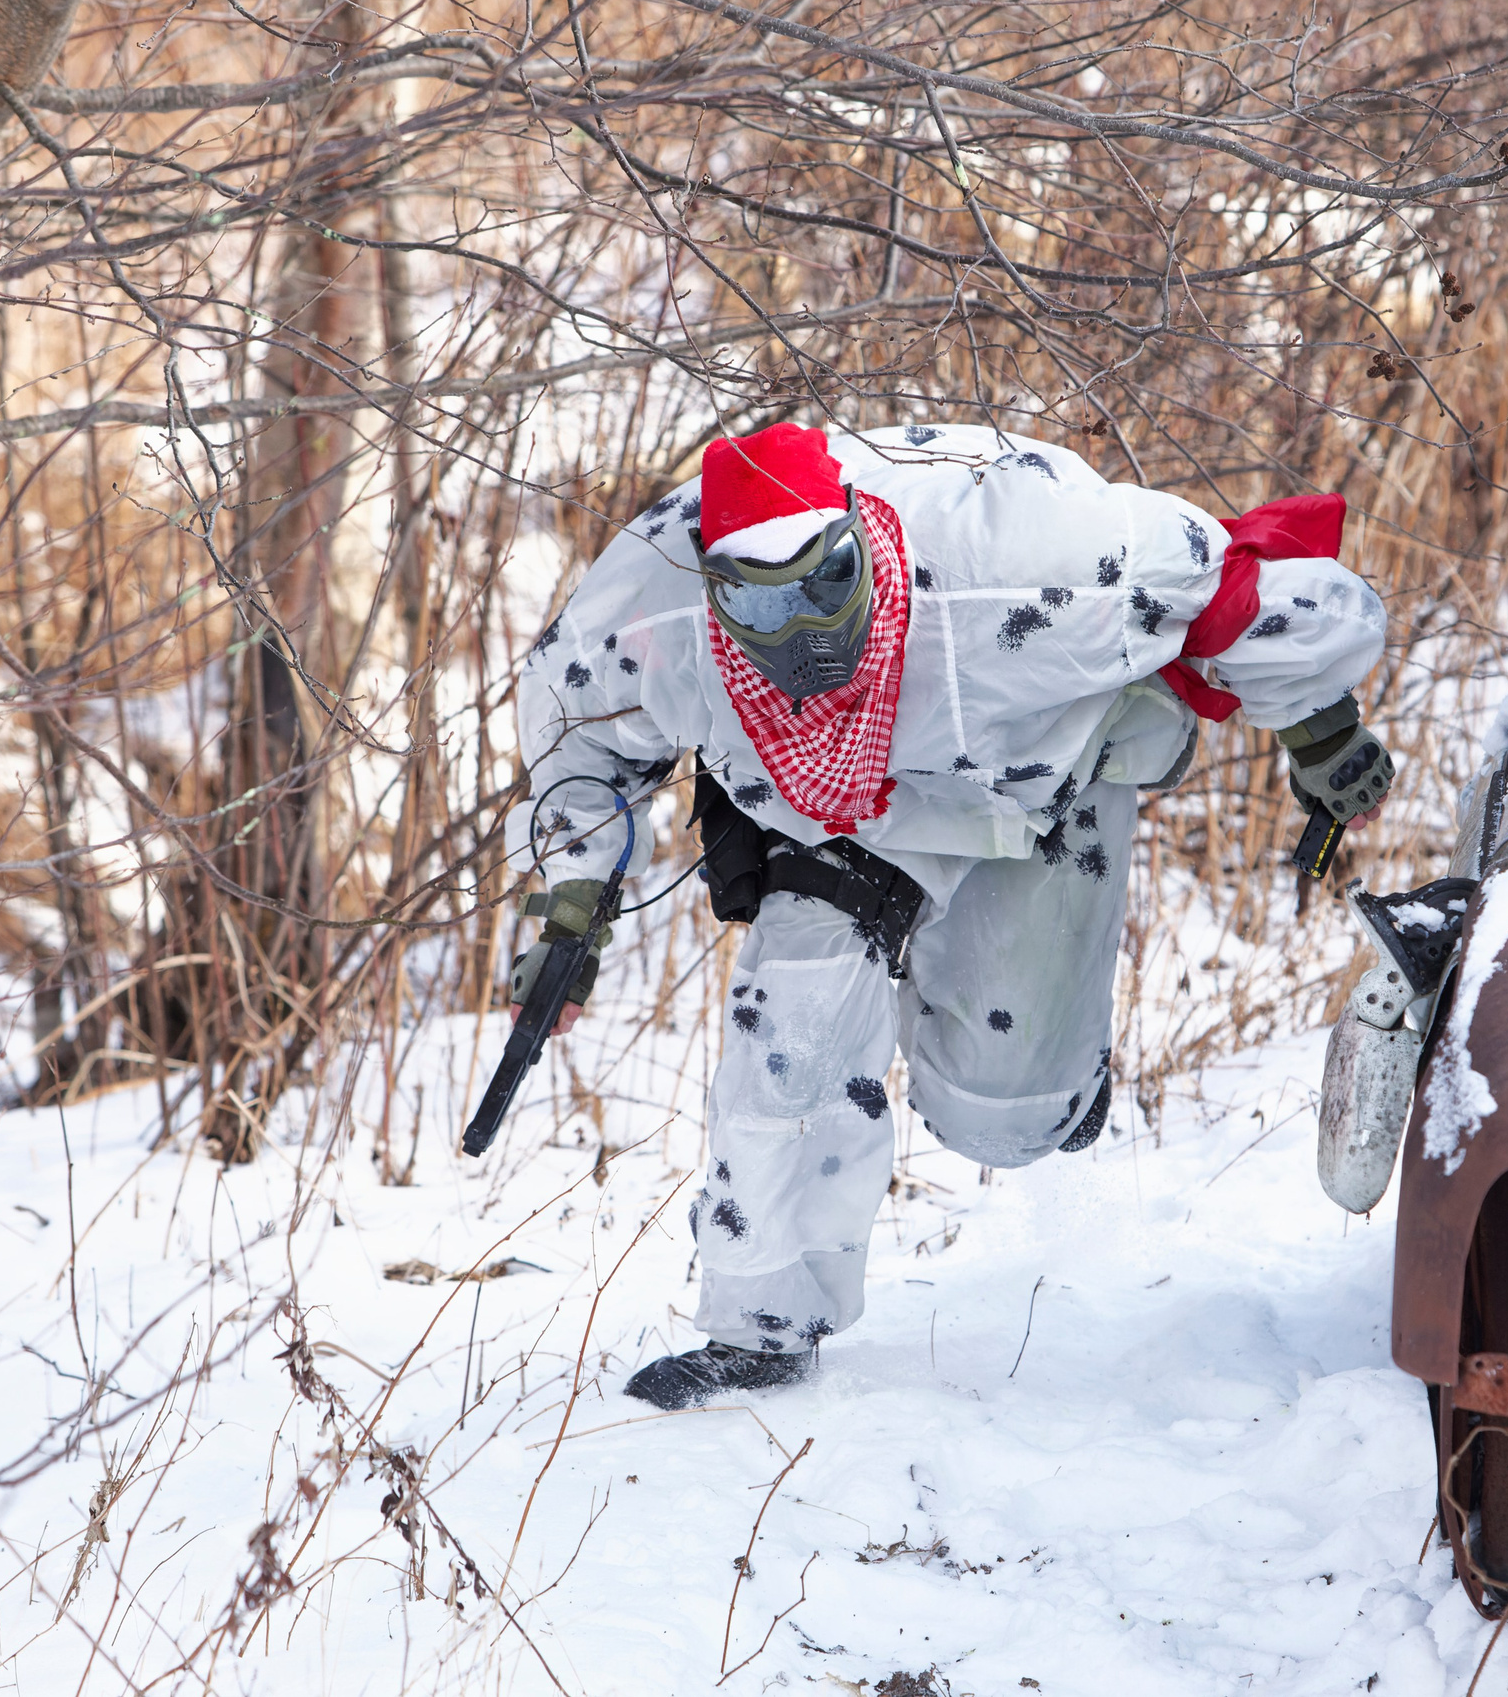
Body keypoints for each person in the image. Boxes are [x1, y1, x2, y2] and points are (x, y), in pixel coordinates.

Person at [512, 422, 1393, 1408]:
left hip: (1035, 773)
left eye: (819, 585)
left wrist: (1322, 729)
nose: (800, 628)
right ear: (713, 590)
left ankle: (1052, 1078)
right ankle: (758, 1331)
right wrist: (569, 907)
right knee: (784, 1047)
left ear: (853, 542)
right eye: (758, 603)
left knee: (1002, 1118)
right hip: (835, 809)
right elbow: (572, 738)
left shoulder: (1036, 563)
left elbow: (1239, 588)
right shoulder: (655, 614)